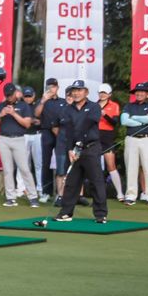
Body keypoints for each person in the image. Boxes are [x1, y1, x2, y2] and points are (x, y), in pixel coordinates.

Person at [55, 80, 109, 223]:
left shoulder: (94, 107)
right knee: (71, 183)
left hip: (91, 148)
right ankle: (66, 213)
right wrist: (70, 150)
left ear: (86, 92)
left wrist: (79, 142)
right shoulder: (67, 109)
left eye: (80, 90)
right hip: (75, 151)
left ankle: (100, 214)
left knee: (96, 182)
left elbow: (88, 124)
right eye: (74, 90)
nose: (76, 93)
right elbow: (68, 132)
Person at [0, 82, 40, 207]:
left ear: (16, 93)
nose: (9, 97)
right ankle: (10, 198)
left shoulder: (24, 106)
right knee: (8, 170)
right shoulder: (0, 106)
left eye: (11, 95)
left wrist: (14, 113)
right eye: (7, 95)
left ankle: (33, 197)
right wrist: (1, 115)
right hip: (3, 139)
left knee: (24, 169)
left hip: (19, 139)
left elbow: (27, 124)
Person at [119, 81, 148, 205]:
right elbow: (124, 121)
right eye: (137, 92)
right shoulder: (129, 106)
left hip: (147, 139)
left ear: (146, 93)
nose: (139, 94)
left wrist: (133, 117)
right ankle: (131, 195)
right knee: (131, 167)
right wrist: (142, 121)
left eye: (142, 92)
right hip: (131, 138)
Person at [39, 79, 71, 202]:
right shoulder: (43, 101)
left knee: (61, 164)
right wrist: (42, 101)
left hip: (60, 135)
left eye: (53, 86)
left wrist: (61, 135)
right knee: (45, 163)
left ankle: (61, 193)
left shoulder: (63, 102)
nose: (51, 88)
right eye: (49, 86)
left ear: (57, 87)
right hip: (47, 132)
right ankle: (46, 192)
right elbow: (37, 114)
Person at [96, 84, 125, 202]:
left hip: (107, 137)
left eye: (105, 92)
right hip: (95, 135)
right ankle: (97, 193)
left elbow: (114, 122)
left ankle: (120, 194)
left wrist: (104, 114)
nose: (102, 94)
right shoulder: (93, 105)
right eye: (100, 92)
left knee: (111, 165)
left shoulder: (114, 106)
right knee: (94, 166)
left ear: (109, 94)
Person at [21, 86, 44, 192]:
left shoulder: (38, 105)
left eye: (30, 96)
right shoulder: (20, 106)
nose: (28, 98)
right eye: (26, 96)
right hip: (24, 135)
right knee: (23, 162)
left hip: (36, 134)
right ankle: (21, 188)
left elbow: (42, 120)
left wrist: (36, 121)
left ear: (34, 96)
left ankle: (39, 187)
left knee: (38, 163)